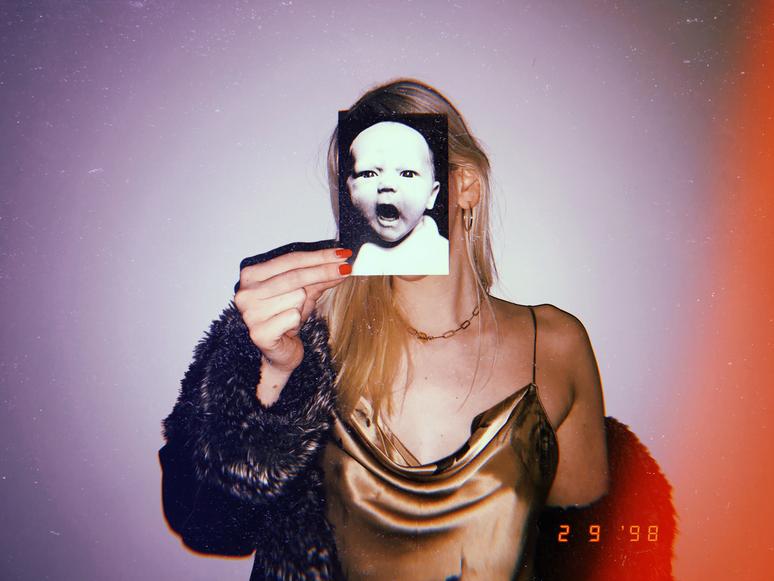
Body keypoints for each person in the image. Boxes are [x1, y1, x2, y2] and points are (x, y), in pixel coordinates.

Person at [160, 79, 675, 580]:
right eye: (365, 173)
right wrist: (272, 373)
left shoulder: (555, 344)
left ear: (462, 187)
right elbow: (210, 528)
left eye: (406, 170)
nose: (385, 187)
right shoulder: (305, 334)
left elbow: (588, 554)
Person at [344, 119, 449, 275]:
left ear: (432, 195)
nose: (387, 184)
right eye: (369, 174)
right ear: (349, 189)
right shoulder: (348, 256)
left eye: (407, 174)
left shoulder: (442, 256)